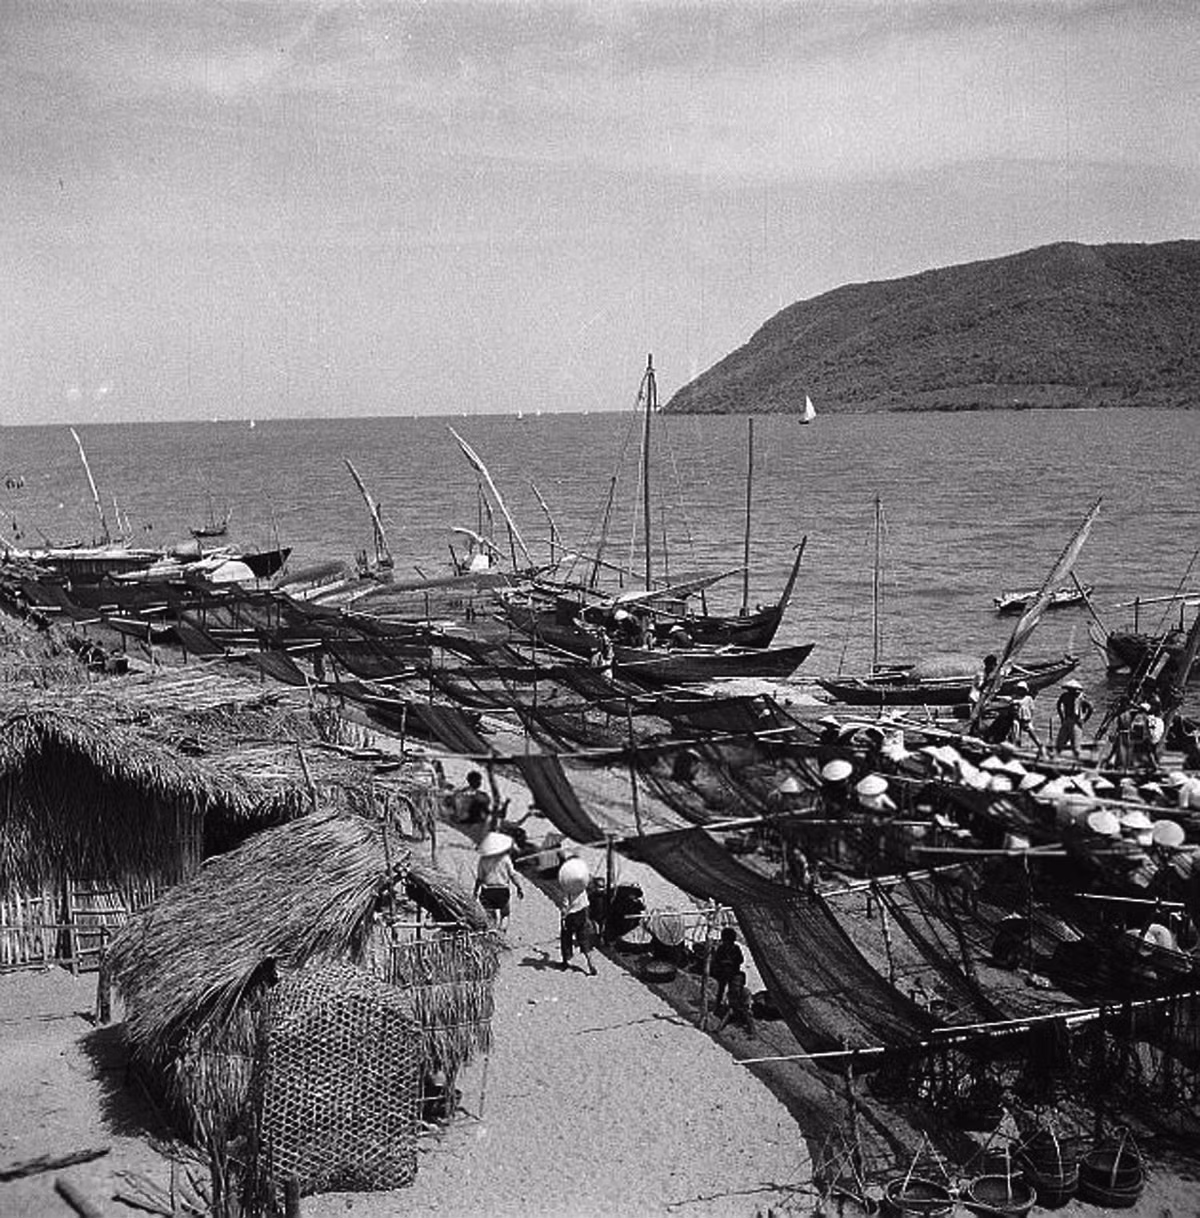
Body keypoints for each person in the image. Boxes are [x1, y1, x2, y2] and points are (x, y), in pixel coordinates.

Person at [557, 853, 599, 975]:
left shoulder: (567, 885)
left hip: (571, 914)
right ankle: (590, 962)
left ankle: (566, 961)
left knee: (566, 936)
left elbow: (565, 904)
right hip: (583, 911)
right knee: (583, 937)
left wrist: (563, 916)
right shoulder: (582, 881)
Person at [474, 832, 524, 932]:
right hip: (502, 890)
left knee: (490, 916)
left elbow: (480, 878)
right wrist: (519, 887)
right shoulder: (505, 859)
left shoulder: (483, 860)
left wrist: (475, 891)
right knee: (505, 914)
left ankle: (492, 934)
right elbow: (513, 875)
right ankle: (501, 934)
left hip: (487, 891)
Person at [1053, 678, 1094, 759]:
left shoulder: (1081, 698)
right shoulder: (1065, 696)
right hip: (1067, 720)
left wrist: (1084, 719)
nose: (1071, 691)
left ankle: (1077, 762)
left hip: (1076, 722)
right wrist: (1062, 717)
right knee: (1060, 743)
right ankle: (1055, 759)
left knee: (1076, 746)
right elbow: (1058, 704)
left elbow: (1090, 707)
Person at [709, 926, 744, 1008]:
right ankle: (719, 1003)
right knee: (721, 988)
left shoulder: (736, 948)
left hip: (733, 971)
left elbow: (740, 959)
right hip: (723, 972)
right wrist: (723, 963)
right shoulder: (721, 948)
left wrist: (731, 962)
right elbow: (717, 960)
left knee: (734, 989)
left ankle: (734, 1005)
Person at [716, 970, 756, 1037]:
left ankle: (752, 1032)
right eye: (735, 981)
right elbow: (729, 1003)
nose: (736, 984)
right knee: (728, 1012)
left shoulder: (746, 992)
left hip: (743, 1012)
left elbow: (747, 1006)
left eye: (738, 982)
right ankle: (719, 1028)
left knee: (748, 1013)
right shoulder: (730, 992)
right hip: (734, 1011)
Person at [1008, 681, 1043, 755]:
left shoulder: (1028, 698)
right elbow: (1011, 705)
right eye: (1019, 689)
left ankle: (1040, 745)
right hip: (1017, 718)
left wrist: (1030, 718)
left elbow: (1032, 709)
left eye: (1022, 689)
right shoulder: (1014, 697)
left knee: (1031, 732)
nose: (1020, 691)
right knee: (1015, 732)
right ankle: (1015, 747)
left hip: (1026, 719)